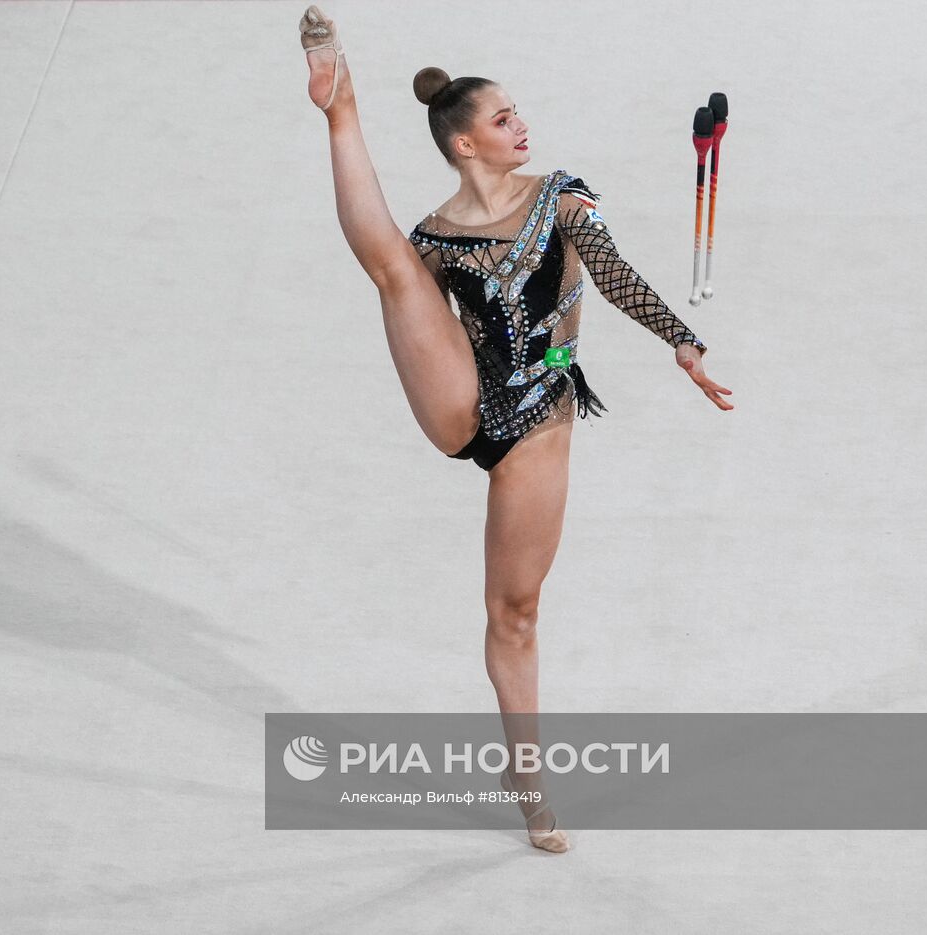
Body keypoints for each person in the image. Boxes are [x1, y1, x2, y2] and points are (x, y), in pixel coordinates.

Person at [297, 4, 733, 853]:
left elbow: (613, 275)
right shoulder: (438, 235)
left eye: (516, 112)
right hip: (462, 403)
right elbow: (400, 279)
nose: (520, 124)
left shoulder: (561, 199)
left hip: (537, 422)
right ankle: (337, 106)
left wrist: (681, 341)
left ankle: (525, 775)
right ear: (466, 144)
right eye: (503, 118)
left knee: (517, 610)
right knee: (393, 270)